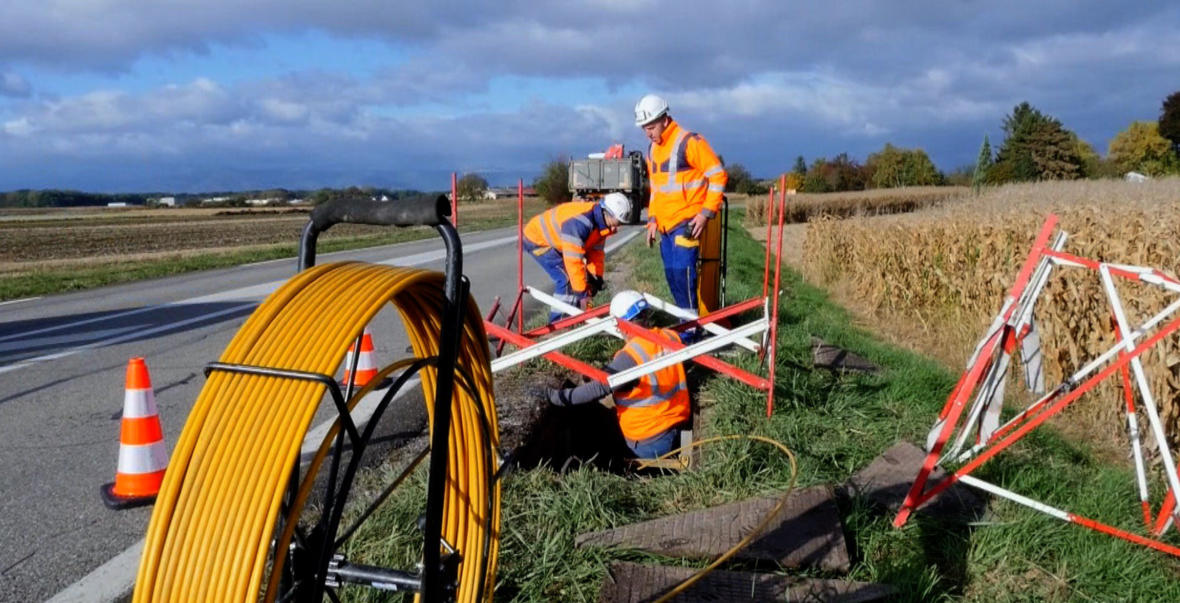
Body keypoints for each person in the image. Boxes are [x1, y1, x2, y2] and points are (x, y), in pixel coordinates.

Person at [545, 290, 691, 459]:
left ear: (620, 324)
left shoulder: (631, 356)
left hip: (649, 442)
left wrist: (556, 397)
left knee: (600, 438)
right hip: (677, 424)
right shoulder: (670, 336)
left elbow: (598, 388)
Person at [634, 93, 727, 313]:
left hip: (687, 222)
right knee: (673, 277)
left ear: (664, 119)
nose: (648, 132)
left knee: (684, 276)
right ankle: (686, 325)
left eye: (651, 126)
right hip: (665, 226)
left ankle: (691, 331)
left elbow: (717, 175)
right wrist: (652, 221)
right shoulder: (652, 150)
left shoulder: (689, 142)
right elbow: (656, 190)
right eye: (644, 128)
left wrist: (705, 214)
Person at [523, 192, 631, 323]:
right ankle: (559, 324)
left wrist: (596, 278)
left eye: (619, 225)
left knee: (584, 283)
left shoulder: (602, 225)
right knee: (567, 279)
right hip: (537, 240)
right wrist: (582, 294)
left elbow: (595, 253)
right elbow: (573, 260)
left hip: (558, 243)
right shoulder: (581, 222)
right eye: (616, 223)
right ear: (606, 212)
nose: (615, 229)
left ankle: (578, 316)